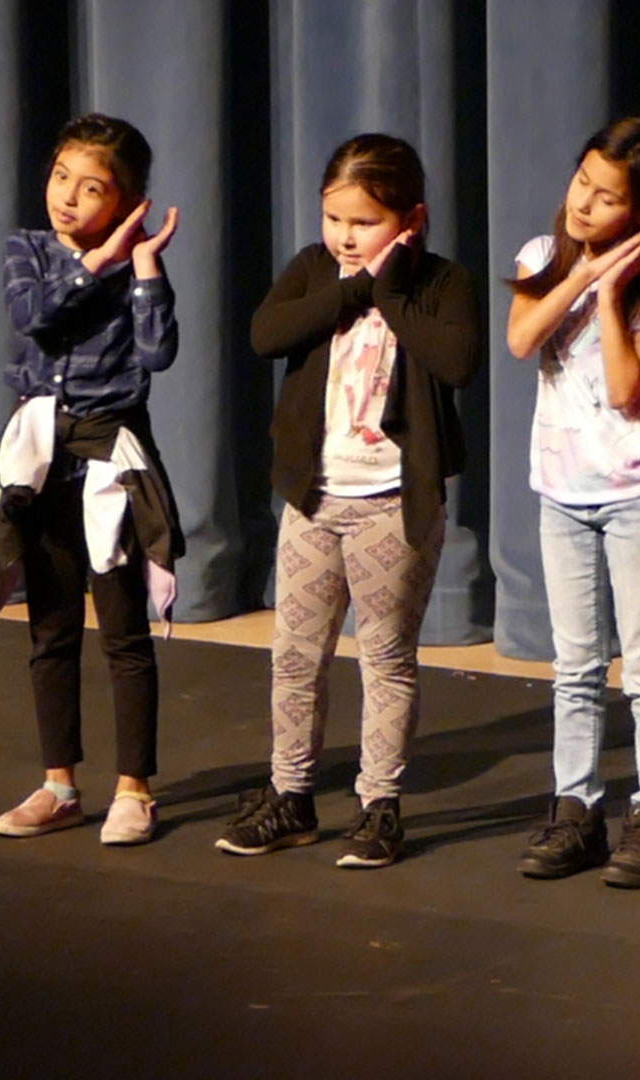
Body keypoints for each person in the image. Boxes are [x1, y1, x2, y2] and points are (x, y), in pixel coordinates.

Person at [218, 133, 481, 869]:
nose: (345, 236)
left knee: (386, 657)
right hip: (314, 498)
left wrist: (389, 293)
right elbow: (266, 334)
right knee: (295, 655)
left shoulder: (441, 282)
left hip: (393, 503)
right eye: (335, 219)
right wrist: (348, 286)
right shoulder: (315, 270)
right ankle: (292, 796)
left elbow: (458, 362)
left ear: (411, 219)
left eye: (363, 222)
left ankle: (379, 808)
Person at [506, 118, 640, 889]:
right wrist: (583, 275)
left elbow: (626, 390)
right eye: (582, 181)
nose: (584, 203)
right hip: (561, 489)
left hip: (639, 494)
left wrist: (614, 291)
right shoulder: (542, 257)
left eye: (607, 197)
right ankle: (576, 809)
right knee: (576, 665)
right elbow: (523, 338)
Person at [0, 113, 182, 848]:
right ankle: (58, 784)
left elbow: (158, 354)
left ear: (128, 200)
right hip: (42, 456)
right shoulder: (30, 249)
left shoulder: (136, 264)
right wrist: (95, 262)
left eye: (91, 186)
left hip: (112, 456)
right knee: (51, 627)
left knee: (124, 632)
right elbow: (33, 315)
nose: (66, 196)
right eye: (60, 177)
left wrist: (142, 265)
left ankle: (136, 790)